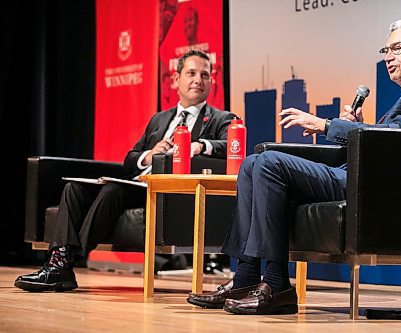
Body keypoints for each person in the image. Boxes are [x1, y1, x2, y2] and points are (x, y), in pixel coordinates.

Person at [187, 18, 401, 315]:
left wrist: (326, 125)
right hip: (362, 177)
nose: (388, 57)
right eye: (386, 49)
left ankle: (277, 284)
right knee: (253, 163)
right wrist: (357, 128)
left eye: (397, 48)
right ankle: (245, 278)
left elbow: (398, 141)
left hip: (379, 187)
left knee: (268, 163)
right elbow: (393, 139)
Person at [15, 50, 236, 292]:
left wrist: (200, 145)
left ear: (211, 83)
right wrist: (148, 155)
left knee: (112, 191)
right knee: (74, 188)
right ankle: (60, 265)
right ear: (176, 79)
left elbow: (231, 145)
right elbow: (129, 160)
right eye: (191, 73)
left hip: (167, 192)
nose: (198, 80)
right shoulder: (159, 120)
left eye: (205, 75)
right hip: (136, 182)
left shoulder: (220, 119)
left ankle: (62, 263)